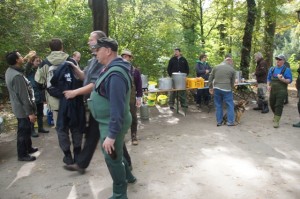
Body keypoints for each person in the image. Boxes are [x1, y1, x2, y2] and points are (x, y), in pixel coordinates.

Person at [88, 37, 136, 198]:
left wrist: (111, 135)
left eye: (97, 50)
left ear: (108, 51)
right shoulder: (110, 68)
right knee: (118, 153)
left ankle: (120, 193)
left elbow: (118, 107)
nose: (95, 54)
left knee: (112, 157)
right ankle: (129, 176)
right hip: (107, 120)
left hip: (112, 122)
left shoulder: (115, 74)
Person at [63, 30, 106, 173]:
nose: (88, 42)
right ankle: (81, 165)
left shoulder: (103, 61)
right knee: (93, 134)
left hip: (102, 105)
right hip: (94, 105)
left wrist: (75, 92)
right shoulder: (91, 60)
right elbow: (83, 77)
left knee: (107, 135)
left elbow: (95, 84)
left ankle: (125, 163)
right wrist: (73, 66)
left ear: (100, 42)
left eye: (91, 39)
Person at [35, 38, 80, 165]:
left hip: (56, 103)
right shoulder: (71, 61)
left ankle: (67, 156)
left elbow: (38, 82)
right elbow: (79, 78)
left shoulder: (45, 63)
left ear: (50, 48)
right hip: (72, 100)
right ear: (62, 47)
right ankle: (77, 154)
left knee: (61, 129)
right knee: (75, 128)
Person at [5, 51, 38, 161]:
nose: (22, 57)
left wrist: (28, 60)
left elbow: (25, 69)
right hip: (22, 109)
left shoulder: (10, 70)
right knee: (23, 132)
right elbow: (24, 97)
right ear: (16, 60)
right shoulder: (17, 76)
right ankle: (22, 154)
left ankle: (28, 148)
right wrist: (30, 113)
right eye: (20, 56)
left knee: (26, 129)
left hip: (18, 107)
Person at [121, 49, 142, 145]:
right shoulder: (118, 69)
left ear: (130, 58)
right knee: (120, 118)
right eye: (123, 56)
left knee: (133, 117)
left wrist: (139, 98)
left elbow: (139, 86)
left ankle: (134, 136)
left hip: (132, 98)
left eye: (127, 56)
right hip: (120, 98)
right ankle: (121, 138)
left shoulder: (135, 71)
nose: (125, 58)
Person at [25, 55, 49, 138]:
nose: (38, 63)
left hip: (40, 94)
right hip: (33, 95)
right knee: (33, 114)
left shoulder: (40, 70)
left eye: (39, 61)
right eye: (37, 61)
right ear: (32, 62)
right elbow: (27, 67)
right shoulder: (29, 71)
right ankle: (32, 130)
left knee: (40, 113)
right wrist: (29, 59)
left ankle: (41, 128)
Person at [208, 54, 236, 126]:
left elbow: (210, 78)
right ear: (230, 61)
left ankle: (219, 122)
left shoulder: (216, 67)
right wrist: (231, 88)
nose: (231, 63)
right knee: (230, 105)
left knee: (218, 105)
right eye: (231, 61)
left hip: (217, 88)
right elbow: (232, 82)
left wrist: (210, 87)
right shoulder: (232, 69)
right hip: (227, 89)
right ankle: (230, 122)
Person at [267, 54, 293, 128]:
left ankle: (276, 121)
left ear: (283, 61)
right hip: (273, 90)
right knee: (271, 103)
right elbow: (268, 79)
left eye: (280, 59)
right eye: (277, 59)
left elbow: (289, 81)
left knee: (278, 105)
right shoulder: (272, 69)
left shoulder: (286, 70)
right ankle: (276, 115)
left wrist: (282, 79)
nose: (278, 60)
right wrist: (268, 85)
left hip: (281, 91)